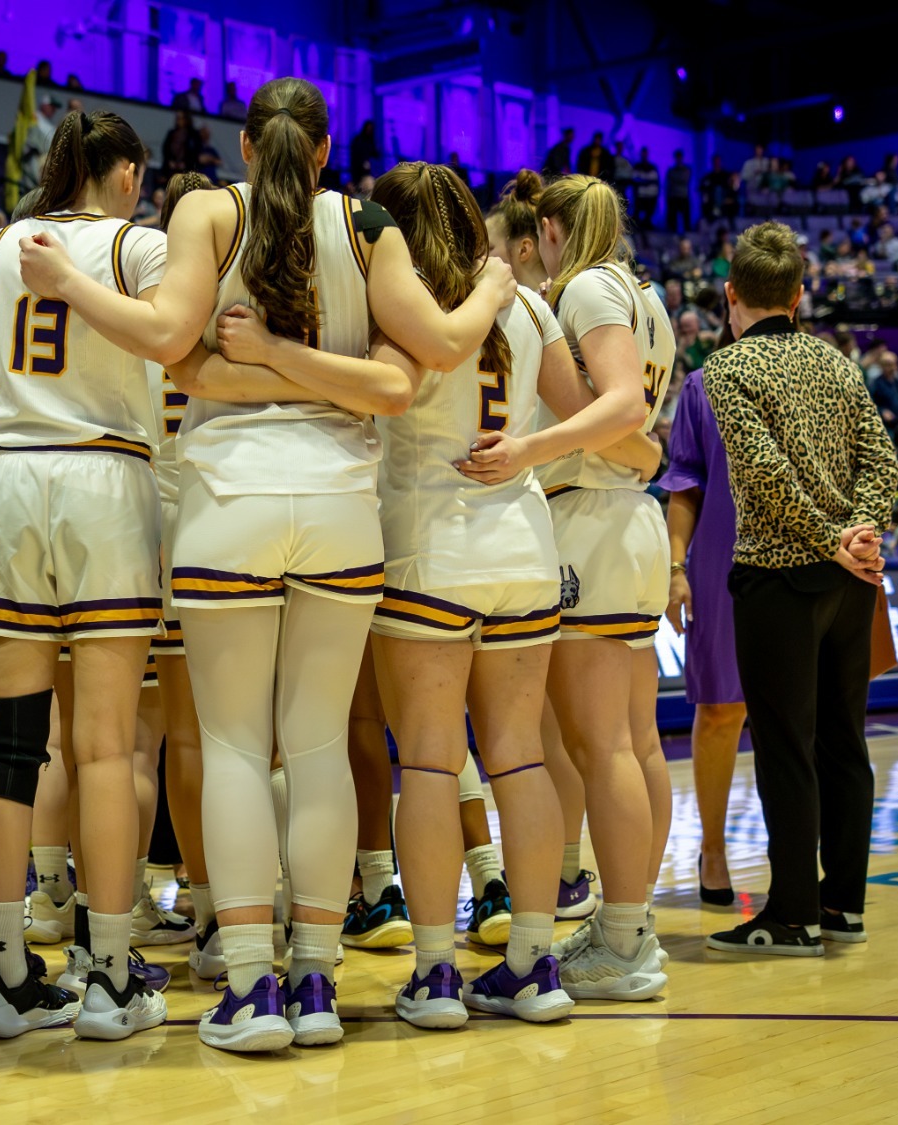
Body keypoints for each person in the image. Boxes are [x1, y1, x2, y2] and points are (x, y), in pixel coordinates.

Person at [17, 76, 511, 1053]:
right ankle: (318, 985)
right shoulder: (367, 223)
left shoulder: (204, 209)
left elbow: (168, 342)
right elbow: (423, 362)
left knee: (237, 748)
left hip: (227, 503)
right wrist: (493, 283)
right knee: (318, 744)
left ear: (244, 146)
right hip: (338, 508)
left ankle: (250, 987)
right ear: (324, 151)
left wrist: (76, 287)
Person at [363, 161, 647, 1026]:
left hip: (427, 544)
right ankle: (533, 960)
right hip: (525, 546)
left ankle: (438, 969)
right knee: (520, 755)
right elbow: (587, 416)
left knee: (427, 761)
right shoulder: (526, 302)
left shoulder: (399, 300)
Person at [0, 109, 175, 1044]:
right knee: (103, 746)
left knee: (3, 744)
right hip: (104, 479)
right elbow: (174, 343)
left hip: (8, 475)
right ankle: (107, 972)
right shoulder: (138, 246)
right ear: (126, 174)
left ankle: (0, 971)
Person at [484, 171, 679, 1002]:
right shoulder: (645, 292)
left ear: (553, 229)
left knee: (603, 747)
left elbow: (626, 405)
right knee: (634, 743)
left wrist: (528, 451)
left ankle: (628, 935)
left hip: (593, 522)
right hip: (627, 514)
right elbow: (642, 425)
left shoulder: (589, 288)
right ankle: (631, 923)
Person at [701, 221, 894, 956]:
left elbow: (763, 475)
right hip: (851, 585)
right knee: (845, 741)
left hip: (780, 578)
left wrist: (828, 541)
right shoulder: (839, 364)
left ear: (731, 294)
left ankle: (791, 913)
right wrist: (860, 534)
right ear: (800, 294)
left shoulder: (726, 369)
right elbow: (883, 457)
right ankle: (843, 903)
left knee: (787, 746)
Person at [658, 344, 747, 907]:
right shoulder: (704, 384)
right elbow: (684, 482)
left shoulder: (820, 370)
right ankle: (712, 850)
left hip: (806, 561)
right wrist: (675, 566)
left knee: (803, 726)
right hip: (722, 561)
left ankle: (800, 858)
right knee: (719, 712)